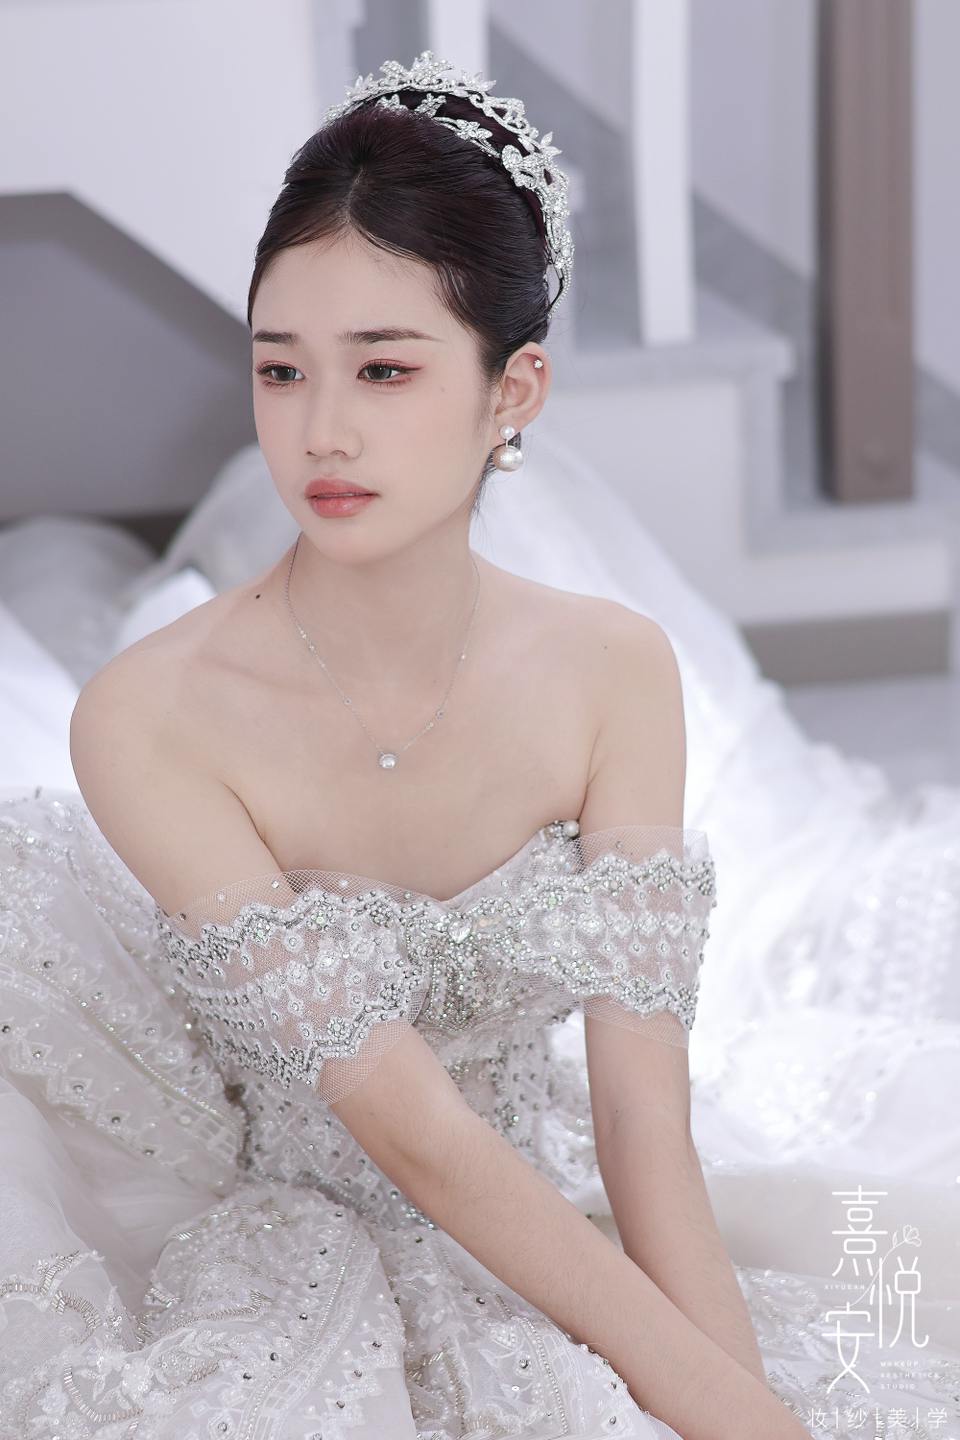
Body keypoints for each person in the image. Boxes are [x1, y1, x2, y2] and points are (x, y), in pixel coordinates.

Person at [8, 57, 812, 1439]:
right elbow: (415, 1137)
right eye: (281, 370)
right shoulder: (146, 718)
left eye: (384, 369)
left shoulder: (615, 672)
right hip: (308, 1222)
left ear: (516, 391)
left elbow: (642, 1130)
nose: (321, 432)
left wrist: (744, 1408)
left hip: (548, 1204)